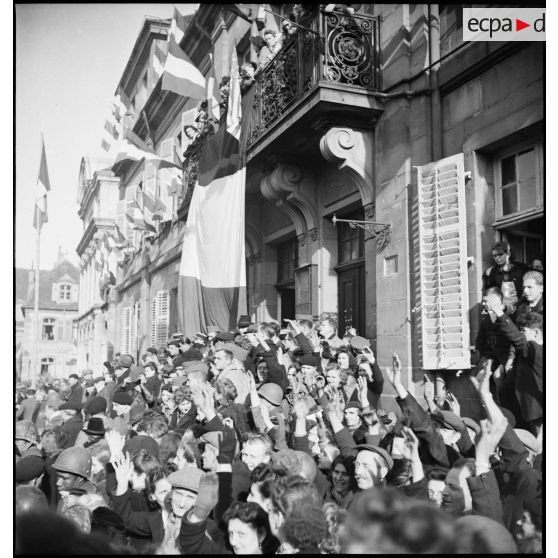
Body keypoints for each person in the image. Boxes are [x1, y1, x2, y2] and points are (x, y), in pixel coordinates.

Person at [482, 242, 528, 315]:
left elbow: (526, 291)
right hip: (501, 311)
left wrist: (517, 306)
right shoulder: (492, 272)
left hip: (519, 310)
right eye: (495, 256)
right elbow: (489, 293)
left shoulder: (520, 270)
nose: (497, 258)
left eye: (500, 254)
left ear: (508, 254)